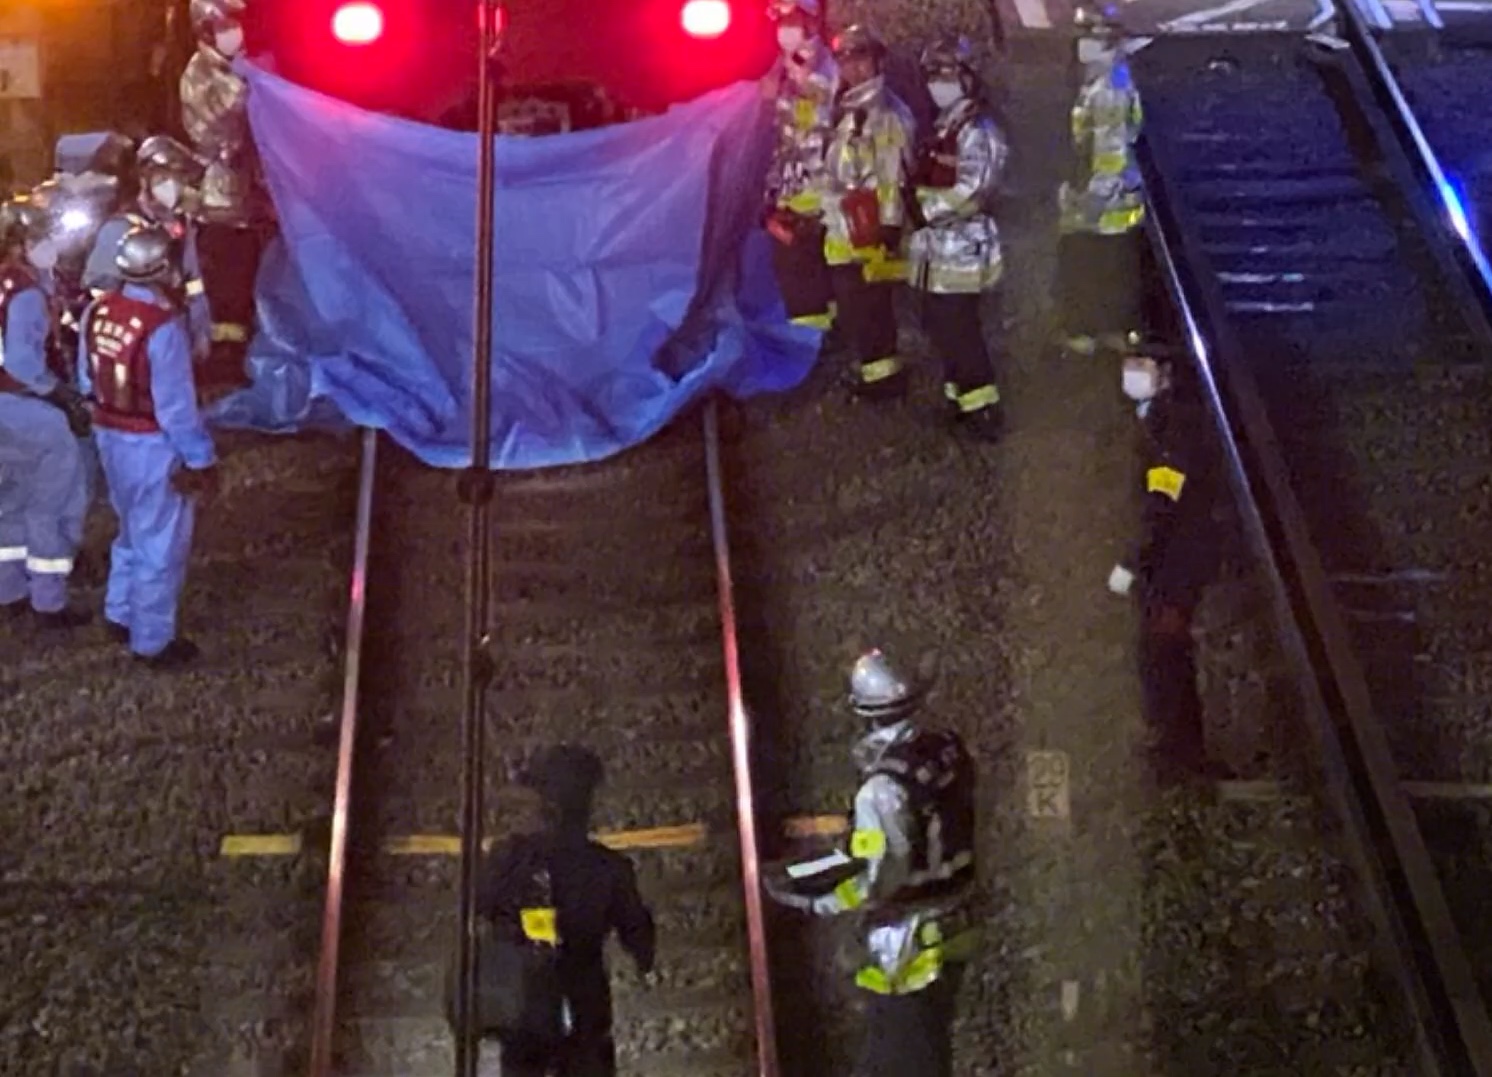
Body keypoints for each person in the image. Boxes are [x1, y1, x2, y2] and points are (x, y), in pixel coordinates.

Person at [765, 649, 978, 1077]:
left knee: (904, 1059)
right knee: (912, 1055)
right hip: (954, 923)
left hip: (910, 947)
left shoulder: (881, 790)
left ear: (863, 712)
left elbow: (874, 878)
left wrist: (801, 893)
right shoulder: (945, 747)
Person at [78, 223, 219, 670]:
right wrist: (201, 458)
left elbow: (86, 379)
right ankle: (153, 640)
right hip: (151, 445)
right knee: (161, 542)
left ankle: (119, 611)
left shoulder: (95, 313)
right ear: (162, 269)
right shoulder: (163, 328)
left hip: (108, 436)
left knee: (130, 527)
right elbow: (176, 408)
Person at [476, 744, 656, 1077]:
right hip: (583, 1008)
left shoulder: (509, 857)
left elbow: (482, 907)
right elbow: (640, 938)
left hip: (523, 1010)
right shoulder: (607, 867)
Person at [1108, 352, 1230, 783]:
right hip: (1172, 555)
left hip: (1178, 560)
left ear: (1166, 376)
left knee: (1165, 651)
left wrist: (1130, 561)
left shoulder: (1171, 430)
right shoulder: (1155, 419)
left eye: (1145, 365)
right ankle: (1174, 744)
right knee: (1161, 651)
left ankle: (1181, 751)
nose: (1133, 372)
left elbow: (1162, 503)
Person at [906, 37, 1008, 441]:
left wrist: (923, 207)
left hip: (963, 251)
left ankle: (984, 410)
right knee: (940, 325)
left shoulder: (980, 130)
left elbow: (975, 189)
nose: (937, 83)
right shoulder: (944, 125)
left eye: (946, 75)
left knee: (959, 328)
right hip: (937, 252)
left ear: (968, 77)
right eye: (932, 75)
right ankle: (959, 399)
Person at [0, 196, 93, 629]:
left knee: (12, 497)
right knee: (53, 500)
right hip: (24, 406)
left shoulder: (8, 283)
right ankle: (48, 601)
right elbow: (21, 362)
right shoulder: (25, 293)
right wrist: (59, 395)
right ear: (21, 244)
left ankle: (9, 589)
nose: (50, 245)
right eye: (42, 238)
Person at [822, 25, 916, 398]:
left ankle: (883, 380)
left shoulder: (885, 113)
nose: (851, 68)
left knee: (871, 309)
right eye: (844, 60)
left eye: (860, 59)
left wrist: (888, 228)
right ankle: (872, 369)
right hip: (845, 228)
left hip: (868, 230)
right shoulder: (850, 107)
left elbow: (895, 174)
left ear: (877, 61)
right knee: (857, 307)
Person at [1057, 4, 1147, 358]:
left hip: (1107, 203)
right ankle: (1111, 332)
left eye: (1087, 37)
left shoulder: (1109, 87)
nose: (1080, 43)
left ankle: (1093, 335)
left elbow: (1109, 156)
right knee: (1108, 269)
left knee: (1092, 267)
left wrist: (1088, 203)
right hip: (1111, 199)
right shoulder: (1105, 77)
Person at [182, 0, 265, 379]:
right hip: (220, 204)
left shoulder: (241, 66)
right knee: (227, 288)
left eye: (238, 25)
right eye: (226, 27)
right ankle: (225, 366)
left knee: (255, 284)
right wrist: (252, 82)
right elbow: (226, 123)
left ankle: (252, 356)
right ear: (205, 30)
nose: (236, 34)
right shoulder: (200, 74)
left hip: (253, 201)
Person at [83, 135, 211, 362]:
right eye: (163, 178)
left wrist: (200, 331)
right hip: (134, 344)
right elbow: (97, 298)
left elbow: (193, 282)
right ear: (144, 179)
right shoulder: (120, 228)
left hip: (172, 333)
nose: (172, 186)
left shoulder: (181, 225)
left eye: (178, 178)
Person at [760, 0, 839, 334]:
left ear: (810, 20)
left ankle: (815, 347)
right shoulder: (782, 68)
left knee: (811, 284)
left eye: (791, 16)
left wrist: (802, 81)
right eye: (779, 16)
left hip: (820, 201)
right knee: (799, 284)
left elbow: (821, 131)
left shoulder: (827, 69)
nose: (784, 24)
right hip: (790, 196)